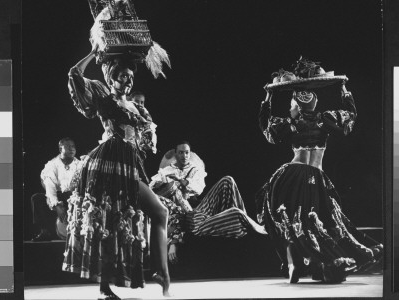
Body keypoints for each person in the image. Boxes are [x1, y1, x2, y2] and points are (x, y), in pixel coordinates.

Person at [62, 45, 170, 300]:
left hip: (128, 166)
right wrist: (92, 52)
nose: (128, 80)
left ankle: (161, 272)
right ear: (111, 77)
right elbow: (74, 74)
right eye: (123, 75)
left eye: (131, 76)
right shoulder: (103, 94)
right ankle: (104, 288)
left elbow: (144, 143)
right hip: (108, 163)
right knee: (108, 221)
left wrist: (146, 139)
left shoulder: (136, 107)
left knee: (159, 212)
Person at [256, 81, 383, 284]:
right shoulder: (325, 119)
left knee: (292, 219)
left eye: (291, 105)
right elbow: (351, 115)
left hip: (293, 175)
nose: (290, 108)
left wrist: (269, 97)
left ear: (297, 106)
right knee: (318, 220)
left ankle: (300, 263)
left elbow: (266, 125)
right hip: (317, 176)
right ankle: (312, 264)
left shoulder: (292, 122)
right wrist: (344, 90)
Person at [150, 141, 267, 264]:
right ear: (176, 154)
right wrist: (173, 243)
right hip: (188, 219)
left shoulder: (194, 169)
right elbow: (158, 196)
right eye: (181, 153)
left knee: (228, 180)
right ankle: (251, 225)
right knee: (235, 213)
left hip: (197, 208)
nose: (184, 156)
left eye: (187, 153)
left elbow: (198, 188)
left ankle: (240, 222)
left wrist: (184, 182)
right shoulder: (165, 174)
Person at [30, 138, 80, 242]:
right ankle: (45, 231)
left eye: (73, 146)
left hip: (74, 196)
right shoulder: (52, 165)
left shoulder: (80, 165)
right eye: (68, 146)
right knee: (37, 198)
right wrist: (56, 205)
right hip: (56, 196)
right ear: (60, 149)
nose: (72, 149)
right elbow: (50, 187)